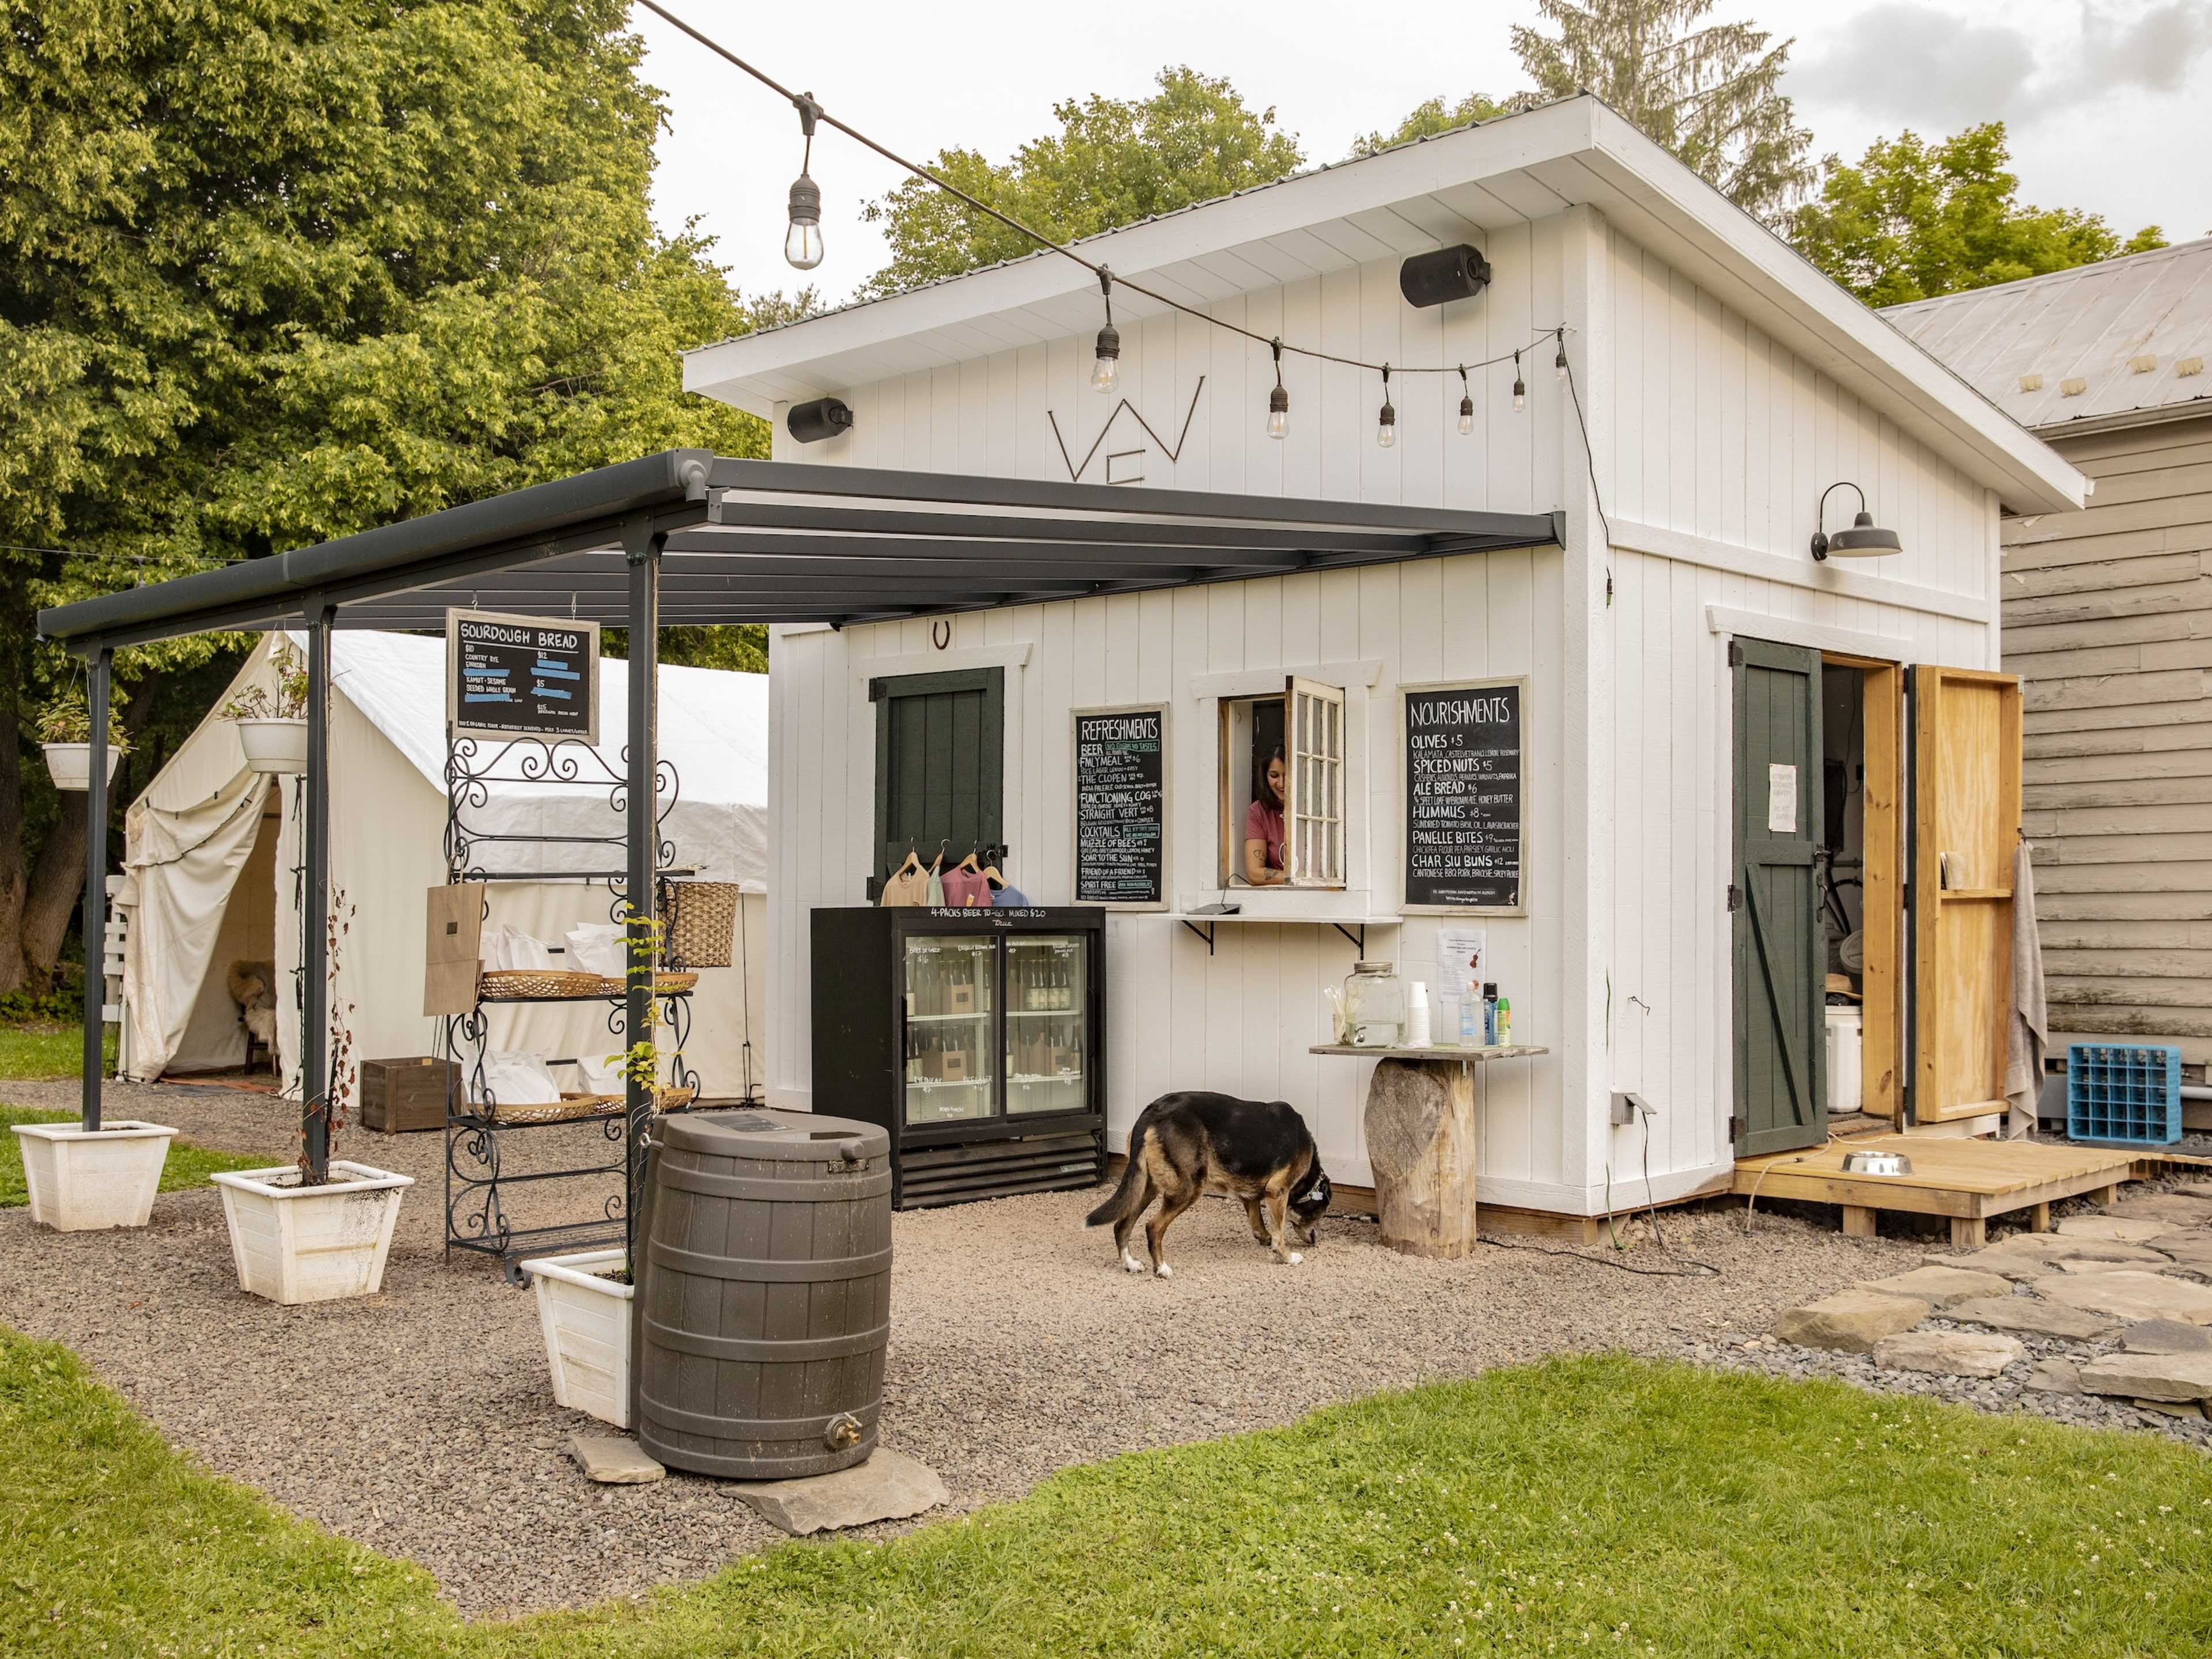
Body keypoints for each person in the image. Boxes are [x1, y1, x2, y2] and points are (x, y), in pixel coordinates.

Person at [1244, 744, 1288, 885]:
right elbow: (1254, 873)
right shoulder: (1258, 812)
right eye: (1274, 776)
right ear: (1265, 776)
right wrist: (1295, 880)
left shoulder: (1318, 809)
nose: (1281, 783)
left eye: (1288, 775)